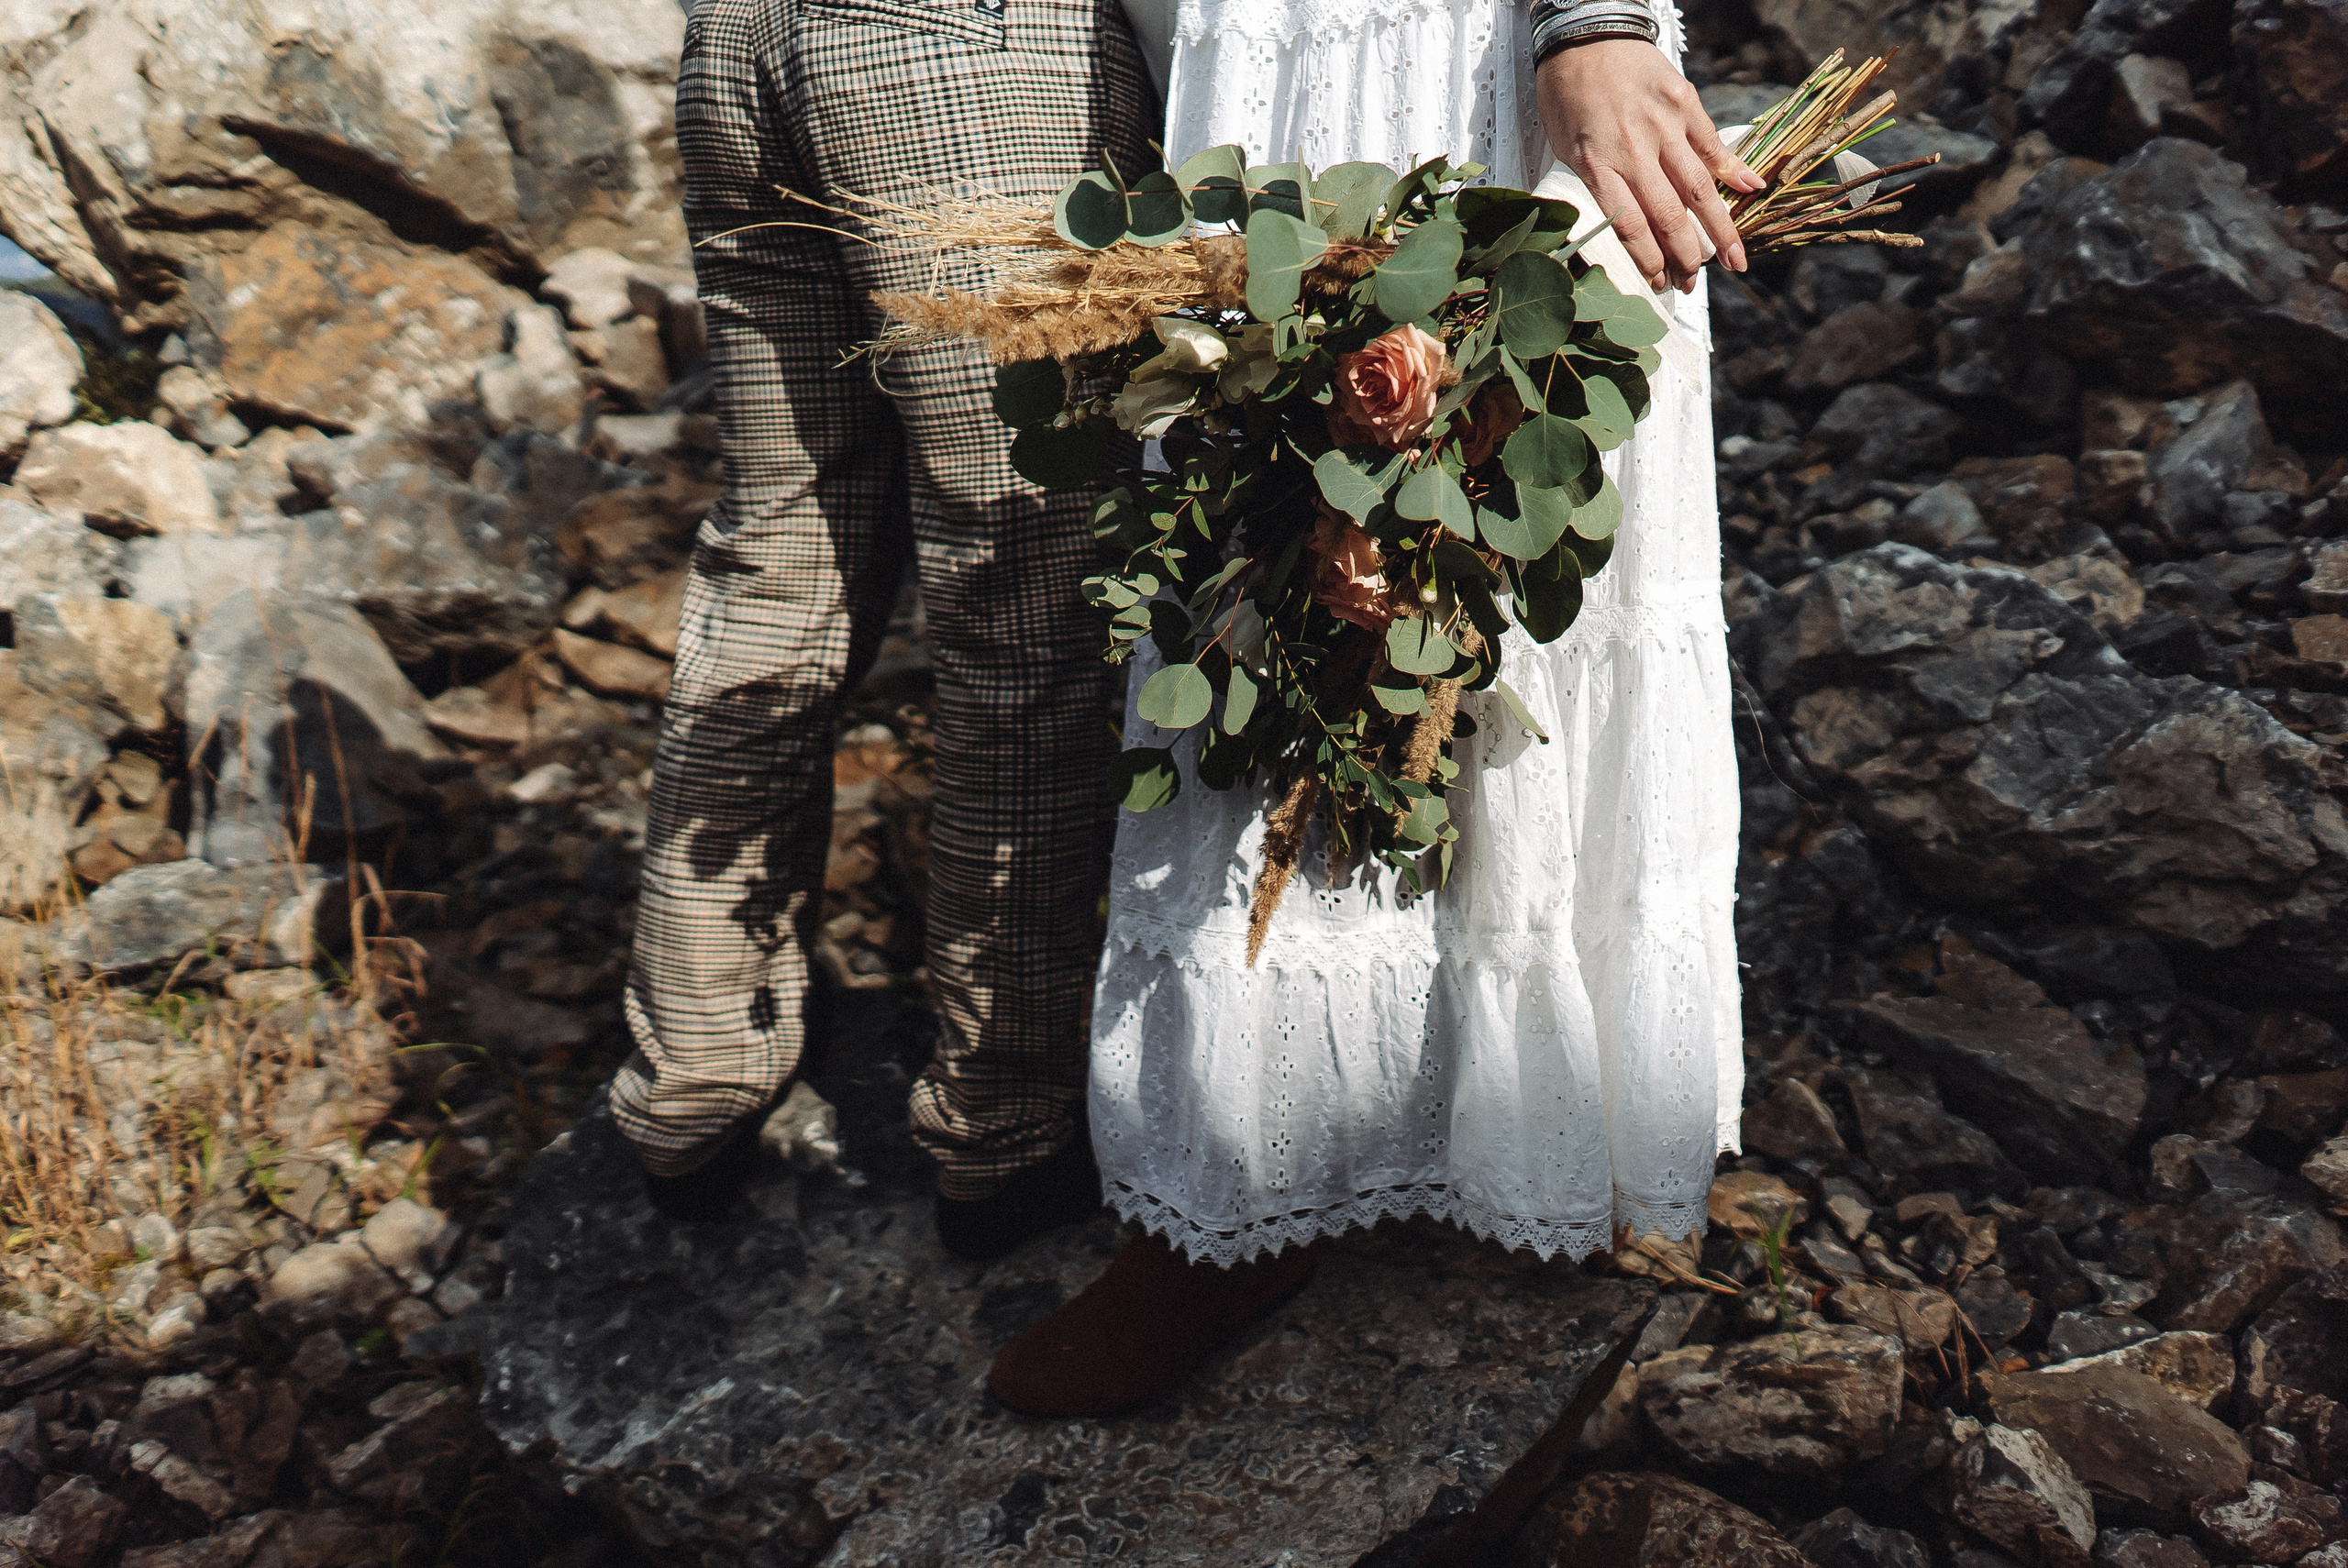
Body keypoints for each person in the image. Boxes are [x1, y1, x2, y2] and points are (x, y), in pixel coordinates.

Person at [986, 0, 1756, 1416]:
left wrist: (1596, 22)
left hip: (1467, 45)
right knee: (1280, 529)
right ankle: (1247, 1164)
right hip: (1269, 48)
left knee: (1510, 500)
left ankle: (1512, 1116)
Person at [612, 0, 1156, 1263]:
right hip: (968, 48)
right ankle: (1002, 1119)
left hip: (738, 41)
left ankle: (694, 1072)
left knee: (779, 559)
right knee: (1023, 592)